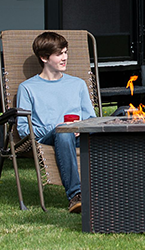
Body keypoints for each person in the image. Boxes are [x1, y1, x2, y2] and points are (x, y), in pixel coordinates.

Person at [15, 32, 96, 213]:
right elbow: (22, 129)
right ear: (44, 57)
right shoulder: (28, 88)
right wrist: (60, 128)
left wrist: (79, 128)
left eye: (66, 52)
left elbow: (91, 118)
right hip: (47, 137)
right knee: (63, 132)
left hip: (77, 135)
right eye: (59, 54)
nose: (65, 58)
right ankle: (76, 195)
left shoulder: (78, 84)